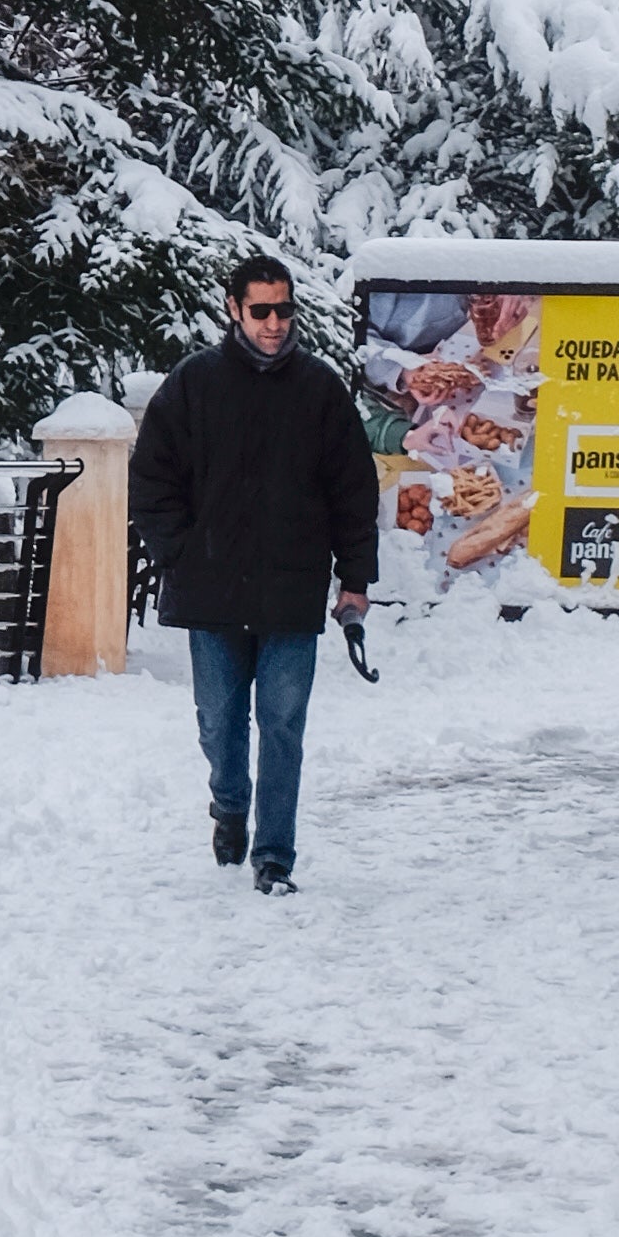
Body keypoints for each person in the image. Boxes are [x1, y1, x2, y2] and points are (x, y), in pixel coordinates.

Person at [129, 251, 379, 894]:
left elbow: (354, 490)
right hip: (210, 586)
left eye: (284, 309)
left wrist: (355, 581)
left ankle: (274, 857)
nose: (274, 323)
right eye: (261, 310)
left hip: (291, 589)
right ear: (234, 310)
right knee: (217, 717)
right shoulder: (194, 383)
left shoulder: (319, 390)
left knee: (284, 721)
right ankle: (230, 804)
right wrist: (179, 552)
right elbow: (152, 478)